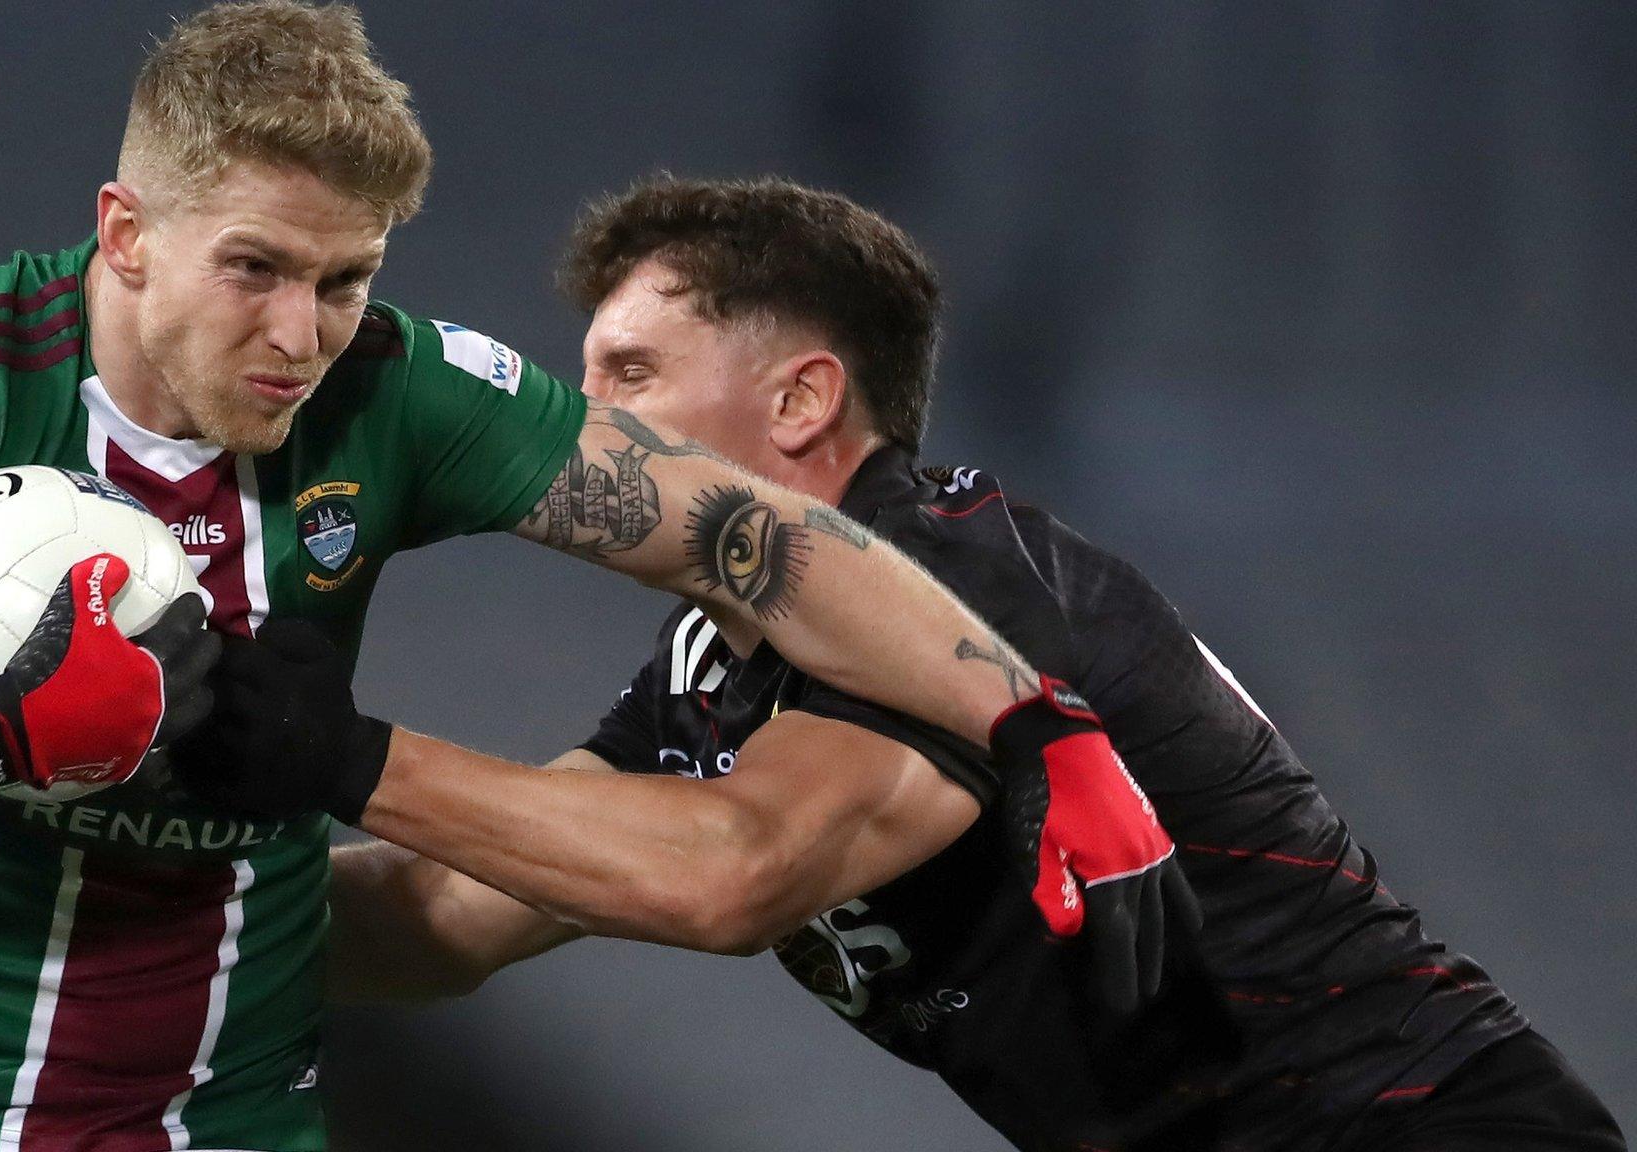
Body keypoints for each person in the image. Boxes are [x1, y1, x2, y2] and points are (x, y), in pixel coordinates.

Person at [0, 7, 1175, 1152]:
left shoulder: (396, 392)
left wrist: (1036, 717)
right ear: (127, 233)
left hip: (232, 1125)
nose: (303, 333)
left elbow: (762, 541)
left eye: (346, 278)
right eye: (257, 270)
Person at [199, 177, 1627, 1151]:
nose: (587, 424)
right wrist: (127, 890)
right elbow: (451, 909)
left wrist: (347, 757)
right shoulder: (719, 657)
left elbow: (730, 872)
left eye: (630, 374)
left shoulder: (952, 587)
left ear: (805, 397)